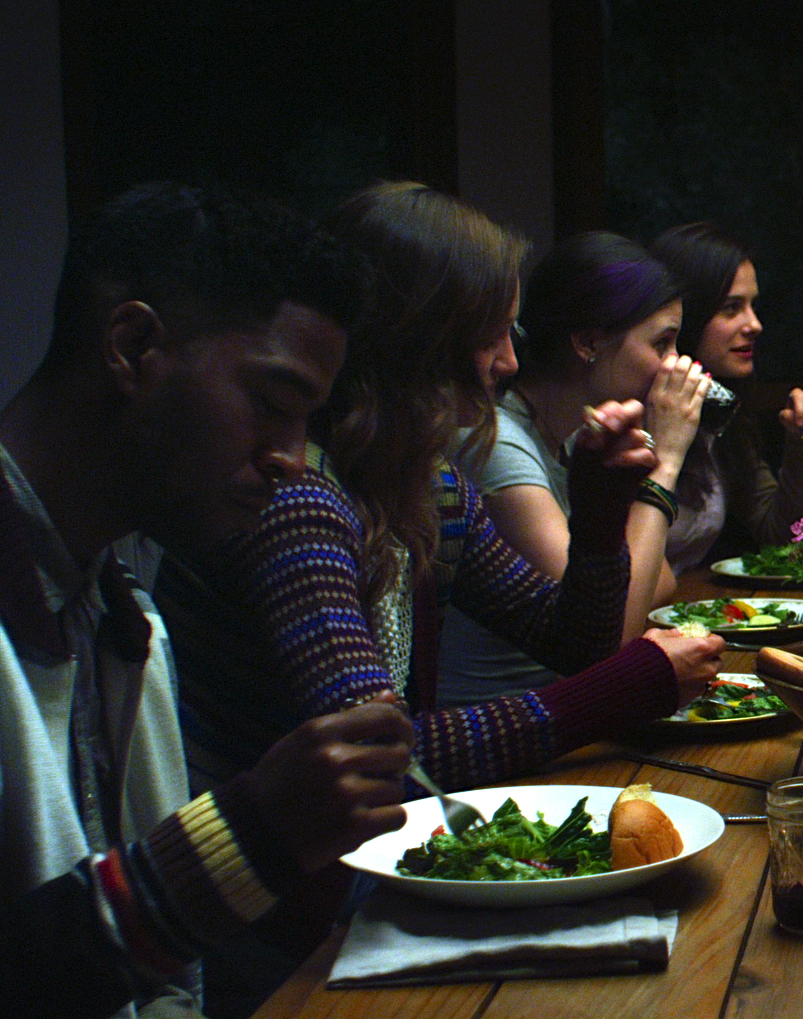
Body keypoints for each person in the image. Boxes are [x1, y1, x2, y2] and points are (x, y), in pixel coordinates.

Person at [157, 182, 722, 801]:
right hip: (283, 886)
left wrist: (599, 515)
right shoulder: (296, 499)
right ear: (418, 340)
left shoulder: (430, 488)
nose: (509, 362)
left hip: (360, 861)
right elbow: (379, 759)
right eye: (491, 335)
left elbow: (576, 644)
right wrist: (620, 690)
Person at [0, 182, 415, 1018]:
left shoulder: (123, 623)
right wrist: (250, 836)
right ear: (133, 345)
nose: (293, 459)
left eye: (308, 421)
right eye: (270, 404)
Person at [440, 231, 712, 705]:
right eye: (662, 344)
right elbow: (614, 635)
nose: (675, 365)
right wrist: (666, 461)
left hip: (565, 718)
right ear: (588, 342)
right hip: (503, 725)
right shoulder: (497, 442)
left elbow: (659, 581)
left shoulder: (570, 439)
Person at [649, 222, 803, 571]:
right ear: (685, 315)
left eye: (752, 305)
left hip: (682, 615)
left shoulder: (719, 410)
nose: (754, 324)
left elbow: (779, 532)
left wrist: (802, 444)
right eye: (731, 308)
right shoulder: (642, 411)